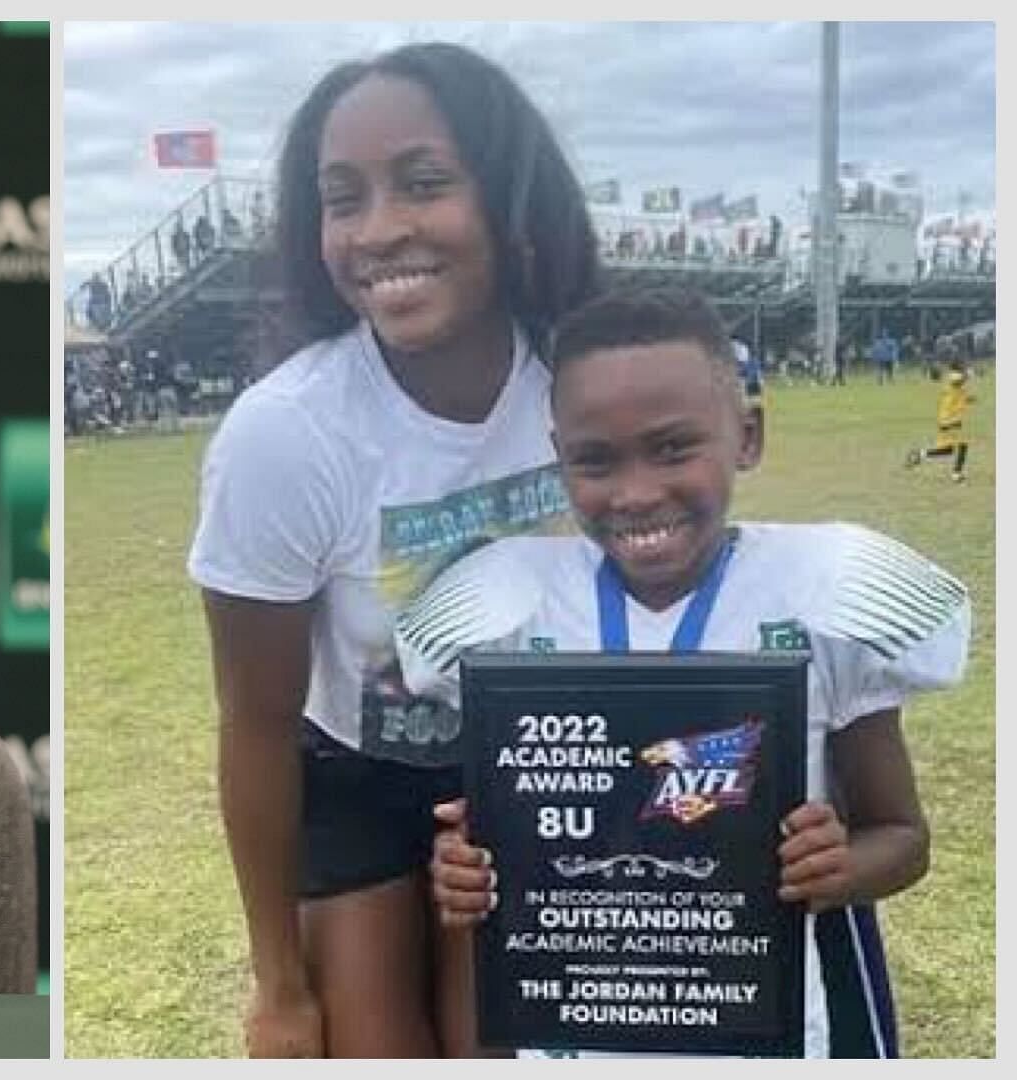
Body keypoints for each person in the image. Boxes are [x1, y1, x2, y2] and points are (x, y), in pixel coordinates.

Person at [399, 287, 964, 1058]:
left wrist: (837, 867)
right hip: (579, 1034)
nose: (636, 493)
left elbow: (903, 838)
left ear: (748, 436)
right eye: (595, 459)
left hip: (774, 1026)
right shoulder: (511, 605)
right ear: (559, 458)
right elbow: (503, 844)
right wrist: (467, 871)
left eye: (672, 448)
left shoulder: (819, 596)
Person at [186, 42, 601, 1057]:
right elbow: (256, 724)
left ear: (507, 196)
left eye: (423, 183)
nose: (378, 232)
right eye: (343, 198)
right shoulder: (286, 433)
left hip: (534, 772)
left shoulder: (585, 379)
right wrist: (278, 986)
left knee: (494, 1046)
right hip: (357, 779)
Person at [905, 362, 977, 482]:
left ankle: (920, 454)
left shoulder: (954, 385)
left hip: (946, 420)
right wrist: (969, 373)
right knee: (963, 445)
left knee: (948, 449)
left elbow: (959, 395)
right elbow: (959, 380)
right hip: (951, 420)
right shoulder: (953, 377)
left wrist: (969, 399)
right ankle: (956, 474)